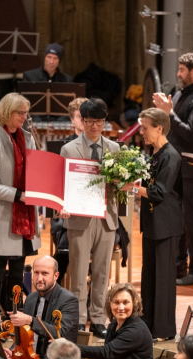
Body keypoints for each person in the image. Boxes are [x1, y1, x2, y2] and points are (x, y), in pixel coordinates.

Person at [0, 92, 41, 330]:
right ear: (7, 113)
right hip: (2, 216)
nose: (24, 117)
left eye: (26, 112)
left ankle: (14, 312)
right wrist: (18, 194)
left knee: (17, 268)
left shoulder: (28, 138)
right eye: (19, 113)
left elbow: (35, 172)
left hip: (25, 215)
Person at [59, 98, 120, 339]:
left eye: (100, 121)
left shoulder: (115, 149)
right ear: (81, 121)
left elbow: (120, 185)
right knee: (79, 270)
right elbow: (62, 184)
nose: (95, 126)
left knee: (102, 272)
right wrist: (62, 205)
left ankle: (98, 319)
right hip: (80, 216)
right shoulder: (69, 149)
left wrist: (123, 183)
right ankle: (77, 319)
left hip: (106, 216)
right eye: (90, 121)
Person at [120, 108, 183, 340]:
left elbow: (158, 192)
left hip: (166, 227)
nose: (142, 132)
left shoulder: (171, 156)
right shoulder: (155, 153)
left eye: (145, 128)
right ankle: (148, 323)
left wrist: (132, 188)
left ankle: (163, 330)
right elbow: (151, 181)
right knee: (150, 276)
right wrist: (136, 181)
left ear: (159, 128)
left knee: (163, 279)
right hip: (154, 225)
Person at [153, 52, 193, 286]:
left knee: (191, 220)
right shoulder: (180, 93)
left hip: (190, 167)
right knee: (174, 216)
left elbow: (189, 132)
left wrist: (169, 112)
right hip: (173, 164)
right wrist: (162, 110)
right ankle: (178, 265)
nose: (178, 74)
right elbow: (172, 125)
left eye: (181, 69)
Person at [6, 256, 79, 359]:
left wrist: (30, 320)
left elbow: (59, 333)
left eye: (45, 274)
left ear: (56, 275)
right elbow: (24, 335)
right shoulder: (31, 298)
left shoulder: (68, 300)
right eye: (36, 273)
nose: (39, 278)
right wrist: (13, 351)